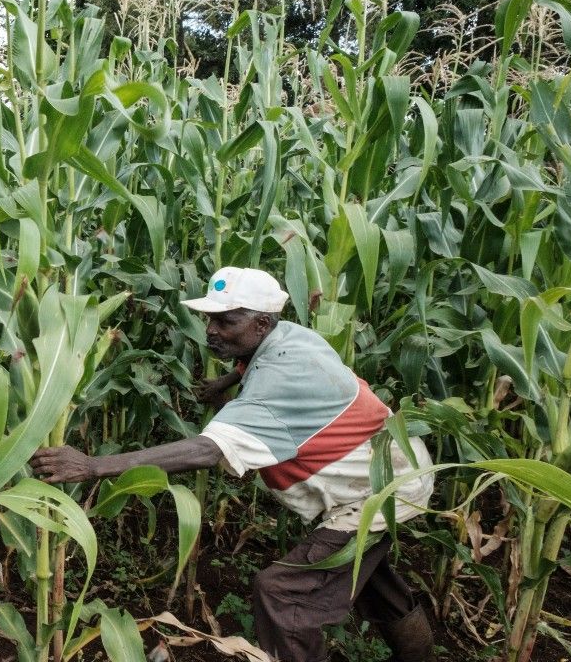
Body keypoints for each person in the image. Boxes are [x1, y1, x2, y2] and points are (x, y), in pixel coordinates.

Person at [29, 267, 436, 662]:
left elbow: (207, 451)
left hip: (384, 490)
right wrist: (223, 384)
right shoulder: (289, 337)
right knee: (370, 579)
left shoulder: (280, 379)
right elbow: (252, 363)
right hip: (393, 465)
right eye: (209, 319)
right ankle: (420, 654)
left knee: (283, 593)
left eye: (226, 321)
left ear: (260, 322)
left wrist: (92, 466)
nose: (211, 330)